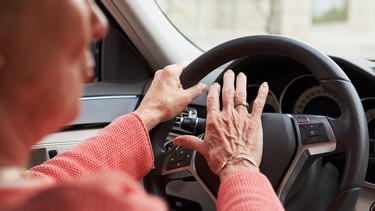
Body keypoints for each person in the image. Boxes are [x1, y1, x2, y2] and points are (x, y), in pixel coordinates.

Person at [0, 0, 284, 210]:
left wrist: (148, 115)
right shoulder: (101, 203)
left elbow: (41, 181)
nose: (99, 24)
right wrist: (238, 163)